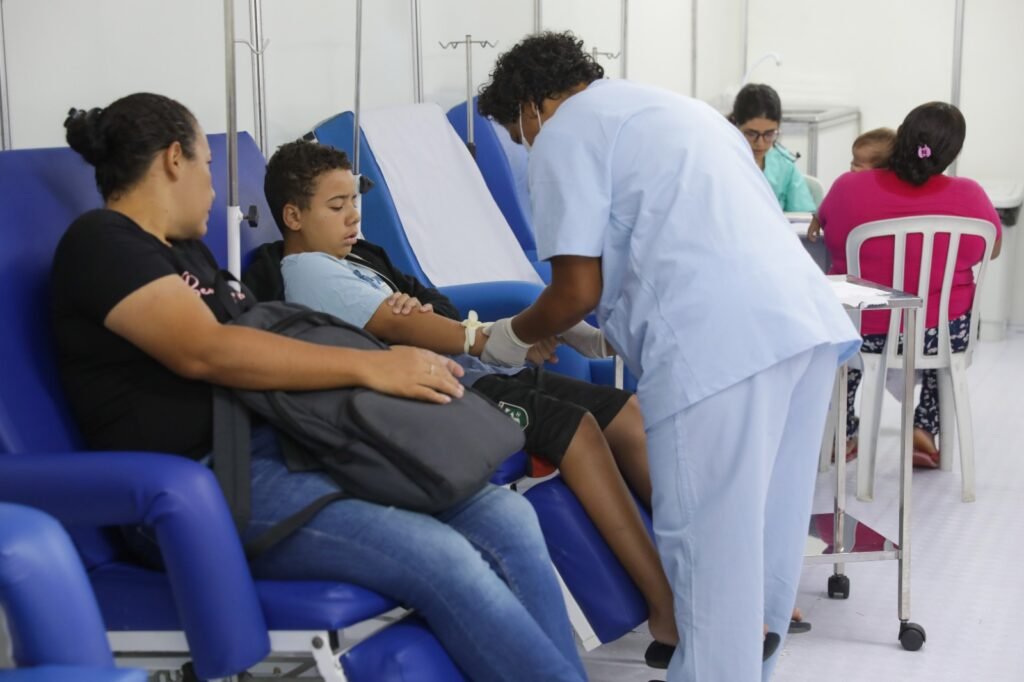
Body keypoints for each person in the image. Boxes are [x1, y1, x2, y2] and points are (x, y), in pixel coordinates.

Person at [50, 92, 588, 682]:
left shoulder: (187, 253)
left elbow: (263, 338)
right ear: (174, 159)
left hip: (287, 446)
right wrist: (371, 367)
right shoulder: (102, 243)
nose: (213, 186)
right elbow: (204, 351)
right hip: (206, 483)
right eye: (208, 164)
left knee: (503, 517)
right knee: (444, 558)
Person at [476, 32, 860, 682]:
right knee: (761, 540)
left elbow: (575, 288)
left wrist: (511, 335)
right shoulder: (677, 110)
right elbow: (681, 234)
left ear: (532, 106)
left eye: (522, 135)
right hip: (802, 327)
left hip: (717, 348)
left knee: (708, 553)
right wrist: (604, 329)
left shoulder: (564, 131)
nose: (529, 146)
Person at [244, 138, 679, 652]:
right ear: (293, 216)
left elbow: (429, 311)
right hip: (446, 390)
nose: (353, 217)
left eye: (354, 202)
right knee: (577, 428)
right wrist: (501, 337)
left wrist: (482, 329)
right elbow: (406, 328)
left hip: (472, 370)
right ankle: (667, 609)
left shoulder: (359, 259)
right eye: (336, 206)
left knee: (625, 412)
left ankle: (691, 575)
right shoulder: (309, 271)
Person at [818, 102, 1001, 467]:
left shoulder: (848, 187)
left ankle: (842, 430)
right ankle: (925, 426)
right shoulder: (970, 195)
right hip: (936, 336)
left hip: (862, 332)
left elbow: (827, 234)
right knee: (949, 319)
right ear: (952, 153)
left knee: (846, 339)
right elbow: (991, 249)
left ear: (900, 137)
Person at [729, 83, 817, 212]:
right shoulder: (722, 161)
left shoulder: (785, 167)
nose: (760, 143)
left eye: (769, 134)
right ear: (735, 126)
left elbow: (804, 216)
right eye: (751, 134)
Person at [806, 127, 896, 245]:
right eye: (853, 161)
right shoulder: (847, 187)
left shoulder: (889, 191)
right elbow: (828, 205)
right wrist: (817, 219)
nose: (852, 166)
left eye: (857, 164)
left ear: (881, 170)